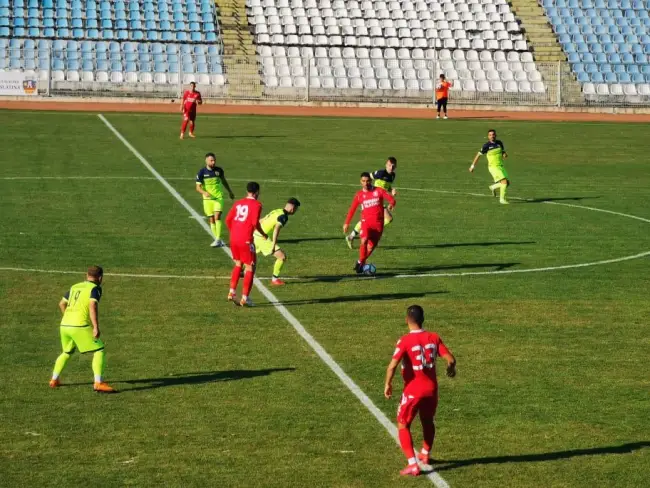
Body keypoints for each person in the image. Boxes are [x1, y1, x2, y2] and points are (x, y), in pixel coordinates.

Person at [384, 305, 456, 476]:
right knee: (427, 420)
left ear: (407, 319)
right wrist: (451, 369)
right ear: (423, 319)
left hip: (413, 390)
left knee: (403, 424)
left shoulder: (405, 340)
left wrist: (388, 383)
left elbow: (392, 365)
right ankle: (425, 453)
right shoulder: (434, 337)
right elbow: (451, 359)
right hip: (431, 390)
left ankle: (412, 464)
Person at [49, 266, 116, 393]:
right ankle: (98, 382)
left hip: (64, 325)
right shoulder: (95, 288)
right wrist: (95, 327)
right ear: (100, 277)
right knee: (99, 350)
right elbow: (92, 305)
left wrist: (68, 317)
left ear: (86, 275)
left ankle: (54, 379)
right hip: (79, 326)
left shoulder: (74, 287)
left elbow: (61, 304)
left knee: (67, 352)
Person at [343, 172, 396, 274]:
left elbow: (391, 199)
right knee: (364, 240)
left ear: (371, 181)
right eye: (363, 181)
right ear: (360, 182)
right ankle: (361, 263)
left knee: (370, 247)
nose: (366, 183)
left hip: (378, 226)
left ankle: (360, 263)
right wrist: (346, 223)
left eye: (367, 181)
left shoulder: (379, 191)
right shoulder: (359, 195)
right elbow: (352, 209)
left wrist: (391, 204)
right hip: (366, 223)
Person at [225, 182, 268, 307]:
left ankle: (232, 292)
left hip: (233, 238)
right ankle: (245, 298)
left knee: (238, 263)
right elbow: (255, 222)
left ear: (247, 191)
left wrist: (234, 232)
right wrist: (263, 234)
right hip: (246, 240)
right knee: (250, 267)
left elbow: (228, 220)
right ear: (257, 192)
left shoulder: (238, 203)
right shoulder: (257, 204)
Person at [346, 157, 397, 249]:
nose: (391, 167)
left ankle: (352, 236)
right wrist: (370, 191)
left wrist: (391, 190)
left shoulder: (392, 176)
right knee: (388, 219)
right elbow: (369, 176)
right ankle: (366, 235)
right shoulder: (380, 173)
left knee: (382, 219)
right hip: (374, 199)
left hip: (380, 198)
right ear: (386, 165)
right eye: (389, 165)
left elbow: (386, 186)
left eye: (393, 166)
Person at [253, 197, 301, 286]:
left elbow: (262, 220)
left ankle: (241, 271)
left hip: (255, 234)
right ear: (292, 208)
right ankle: (274, 279)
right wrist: (273, 245)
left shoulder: (277, 211)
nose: (295, 211)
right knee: (281, 257)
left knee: (250, 256)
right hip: (263, 238)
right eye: (296, 209)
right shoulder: (283, 217)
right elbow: (276, 229)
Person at [195, 152, 235, 247]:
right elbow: (198, 187)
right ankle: (218, 239)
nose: (213, 162)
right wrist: (204, 192)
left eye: (214, 160)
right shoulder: (201, 173)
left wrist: (230, 191)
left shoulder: (219, 171)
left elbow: (224, 181)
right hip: (207, 200)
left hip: (218, 197)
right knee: (211, 219)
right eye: (211, 160)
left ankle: (217, 238)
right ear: (206, 161)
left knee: (217, 216)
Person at [469, 128, 510, 204]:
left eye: (493, 134)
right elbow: (478, 155)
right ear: (488, 136)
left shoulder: (499, 143)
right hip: (493, 167)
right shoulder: (486, 146)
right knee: (504, 182)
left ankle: (493, 187)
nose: (492, 136)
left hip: (500, 166)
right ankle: (502, 200)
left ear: (496, 135)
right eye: (490, 135)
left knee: (507, 183)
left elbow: (502, 151)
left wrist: (504, 154)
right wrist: (472, 166)